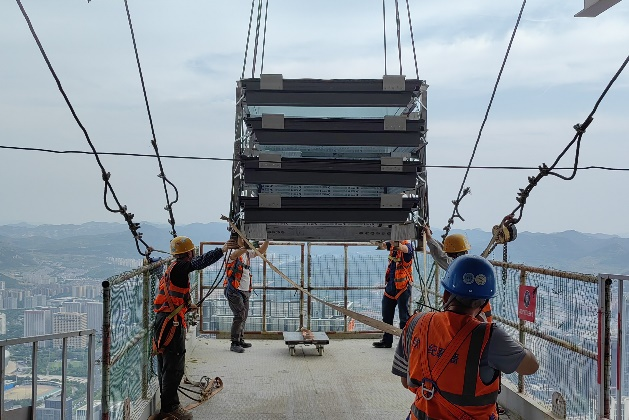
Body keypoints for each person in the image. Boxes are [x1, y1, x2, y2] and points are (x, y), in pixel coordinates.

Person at [391, 255, 539, 420]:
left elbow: (406, 382)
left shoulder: (416, 323)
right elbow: (531, 366)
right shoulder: (490, 336)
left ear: (446, 296)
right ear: (483, 303)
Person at [153, 236, 231, 420]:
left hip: (164, 320)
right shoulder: (180, 267)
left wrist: (188, 304)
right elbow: (199, 263)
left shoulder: (174, 269)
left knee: (166, 365)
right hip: (171, 323)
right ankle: (170, 408)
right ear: (188, 252)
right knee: (174, 366)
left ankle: (168, 405)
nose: (194, 254)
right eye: (192, 251)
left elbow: (174, 293)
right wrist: (222, 250)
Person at [424, 226, 493, 323]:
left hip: (476, 319)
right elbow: (443, 252)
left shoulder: (460, 268)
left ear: (454, 255)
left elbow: (441, 256)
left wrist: (429, 239)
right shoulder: (471, 265)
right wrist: (430, 238)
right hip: (482, 316)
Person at [224, 235, 269, 353]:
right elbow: (235, 255)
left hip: (245, 289)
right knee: (239, 315)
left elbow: (261, 252)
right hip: (234, 289)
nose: (244, 240)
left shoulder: (247, 253)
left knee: (243, 315)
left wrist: (267, 240)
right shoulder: (232, 252)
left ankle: (240, 339)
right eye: (242, 238)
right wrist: (249, 245)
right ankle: (234, 343)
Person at [373, 240, 414, 349]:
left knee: (403, 318)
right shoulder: (393, 246)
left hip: (403, 286)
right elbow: (383, 245)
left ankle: (404, 344)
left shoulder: (407, 246)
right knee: (386, 314)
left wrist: (393, 241)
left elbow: (403, 248)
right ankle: (387, 340)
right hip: (391, 285)